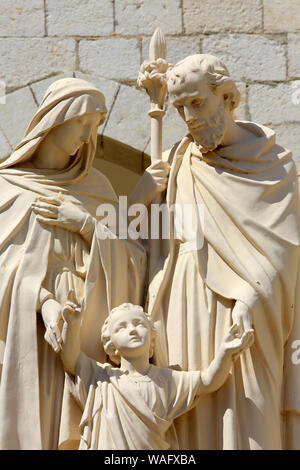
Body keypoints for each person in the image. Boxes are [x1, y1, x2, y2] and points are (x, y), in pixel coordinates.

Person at [0, 77, 167, 449]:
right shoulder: (6, 187)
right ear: (56, 119)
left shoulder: (98, 187)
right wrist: (43, 302)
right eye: (83, 123)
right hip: (39, 328)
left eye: (96, 127)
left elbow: (133, 260)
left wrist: (86, 224)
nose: (89, 136)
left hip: (91, 328)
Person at [144, 54, 300, 449]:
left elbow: (285, 252)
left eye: (197, 102)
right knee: (192, 418)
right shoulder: (180, 160)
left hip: (250, 309)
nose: (189, 117)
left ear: (227, 97)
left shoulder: (274, 164)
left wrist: (252, 292)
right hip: (186, 301)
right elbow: (147, 245)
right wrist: (139, 197)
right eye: (180, 108)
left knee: (251, 416)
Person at [56, 298, 254, 450]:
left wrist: (225, 352)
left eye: (138, 324)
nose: (132, 330)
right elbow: (71, 359)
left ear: (152, 336)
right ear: (111, 344)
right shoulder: (102, 378)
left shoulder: (166, 380)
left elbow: (207, 381)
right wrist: (72, 325)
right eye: (122, 327)